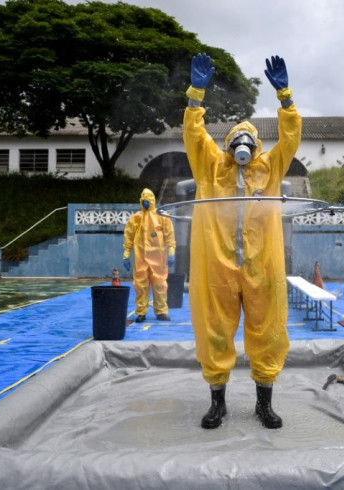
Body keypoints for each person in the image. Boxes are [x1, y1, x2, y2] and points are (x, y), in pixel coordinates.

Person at [183, 53, 302, 429]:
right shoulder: (209, 166)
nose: (243, 144)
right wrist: (196, 93)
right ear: (228, 145)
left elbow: (291, 137)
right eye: (237, 139)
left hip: (261, 264)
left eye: (249, 140)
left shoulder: (269, 168)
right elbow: (193, 134)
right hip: (216, 265)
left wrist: (285, 96)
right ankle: (217, 403)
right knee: (214, 330)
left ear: (257, 146)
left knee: (268, 329)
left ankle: (264, 404)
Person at [122, 188, 176, 323]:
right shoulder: (135, 218)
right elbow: (128, 237)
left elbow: (170, 237)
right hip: (141, 258)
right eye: (144, 200)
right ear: (141, 201)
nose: (146, 203)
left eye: (148, 200)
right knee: (140, 286)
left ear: (152, 200)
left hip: (159, 258)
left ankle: (161, 311)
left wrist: (171, 254)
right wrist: (126, 254)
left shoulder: (162, 216)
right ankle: (141, 312)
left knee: (160, 285)